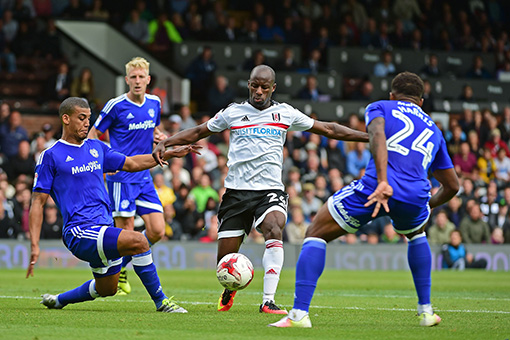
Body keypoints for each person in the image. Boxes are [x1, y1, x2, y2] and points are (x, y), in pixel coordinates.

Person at [152, 65, 368, 314]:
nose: (259, 91)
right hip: (236, 192)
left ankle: (268, 300)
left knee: (275, 228)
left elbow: (329, 129)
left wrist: (367, 137)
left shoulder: (285, 113)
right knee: (224, 261)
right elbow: (200, 131)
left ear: (273, 88)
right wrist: (167, 141)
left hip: (270, 190)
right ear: (248, 84)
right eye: (255, 85)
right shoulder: (233, 112)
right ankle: (231, 285)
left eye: (265, 87)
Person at [269, 72, 459, 328]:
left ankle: (299, 315)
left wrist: (382, 181)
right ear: (421, 102)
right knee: (417, 234)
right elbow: (452, 186)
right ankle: (426, 312)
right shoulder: (434, 129)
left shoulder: (380, 106)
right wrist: (428, 204)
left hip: (375, 188)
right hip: (415, 195)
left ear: (392, 95)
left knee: (315, 233)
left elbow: (377, 135)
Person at [27, 97, 197, 313]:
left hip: (104, 227)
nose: (87, 123)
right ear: (66, 119)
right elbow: (37, 203)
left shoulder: (97, 148)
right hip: (80, 231)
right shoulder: (50, 156)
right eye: (82, 118)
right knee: (139, 241)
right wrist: (34, 244)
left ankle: (58, 300)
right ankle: (162, 302)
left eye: (89, 118)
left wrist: (165, 154)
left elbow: (132, 163)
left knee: (107, 288)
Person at [87, 57, 168, 296]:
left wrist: (158, 135)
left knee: (157, 231)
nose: (137, 81)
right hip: (121, 177)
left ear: (148, 79)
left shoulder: (155, 103)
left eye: (141, 77)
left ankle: (119, 265)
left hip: (144, 176)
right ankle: (120, 276)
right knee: (128, 232)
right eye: (133, 77)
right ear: (126, 80)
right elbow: (93, 134)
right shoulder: (116, 105)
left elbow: (153, 128)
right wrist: (102, 160)